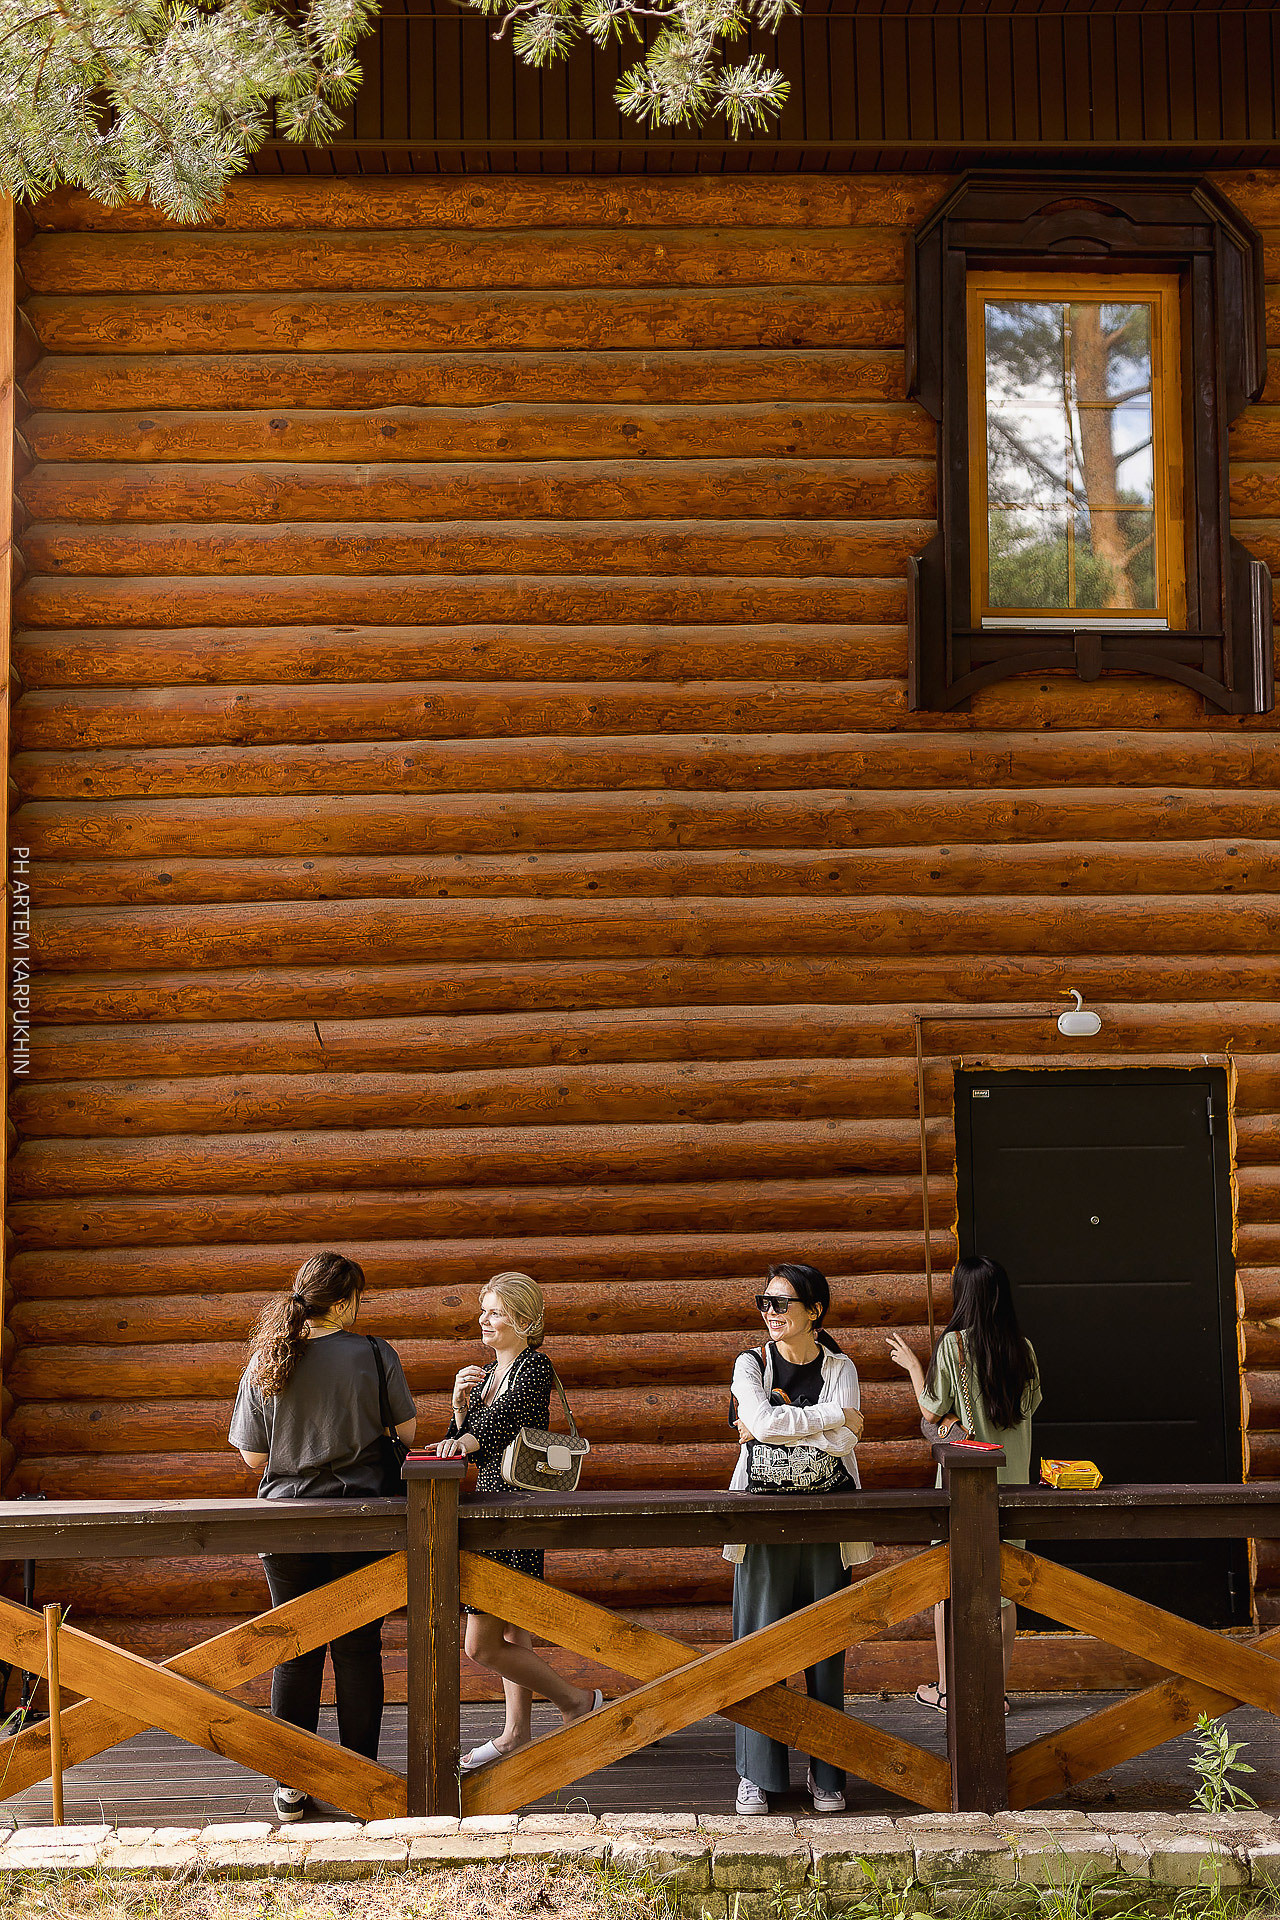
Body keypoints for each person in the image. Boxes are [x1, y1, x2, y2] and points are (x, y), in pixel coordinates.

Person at [229, 1250, 417, 1823]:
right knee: (358, 1649)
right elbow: (408, 1433)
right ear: (343, 1302)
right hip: (364, 1520)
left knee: (295, 1649)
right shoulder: (374, 1353)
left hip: (287, 1524)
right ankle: (362, 1780)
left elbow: (253, 1456)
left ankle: (291, 1785)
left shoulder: (268, 1357)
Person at [434, 1270, 602, 1770]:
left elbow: (504, 1423)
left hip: (515, 1511)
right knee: (512, 1631)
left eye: (497, 1312)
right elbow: (467, 1439)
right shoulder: (487, 1374)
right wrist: (459, 1407)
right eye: (483, 1311)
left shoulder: (533, 1366)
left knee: (480, 1646)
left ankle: (576, 1701)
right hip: (493, 1509)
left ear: (525, 1321)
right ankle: (515, 1733)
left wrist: (463, 1439)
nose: (484, 1320)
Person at [726, 1262, 872, 1817]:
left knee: (825, 1649)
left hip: (828, 1524)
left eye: (781, 1303)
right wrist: (832, 1417)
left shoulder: (841, 1366)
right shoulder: (750, 1363)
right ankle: (756, 1775)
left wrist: (779, 1425)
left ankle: (826, 1772)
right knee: (759, 1647)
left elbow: (841, 1444)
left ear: (815, 1311)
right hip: (761, 1522)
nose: (770, 1312)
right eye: (764, 1302)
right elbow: (766, 1426)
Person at [887, 1252, 1042, 1716]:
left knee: (948, 1584)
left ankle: (947, 1689)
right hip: (1014, 1484)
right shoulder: (1024, 1349)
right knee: (1004, 1590)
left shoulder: (953, 1346)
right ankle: (997, 1694)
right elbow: (1028, 1408)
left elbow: (930, 1411)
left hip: (965, 1487)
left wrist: (913, 1367)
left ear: (965, 1296)